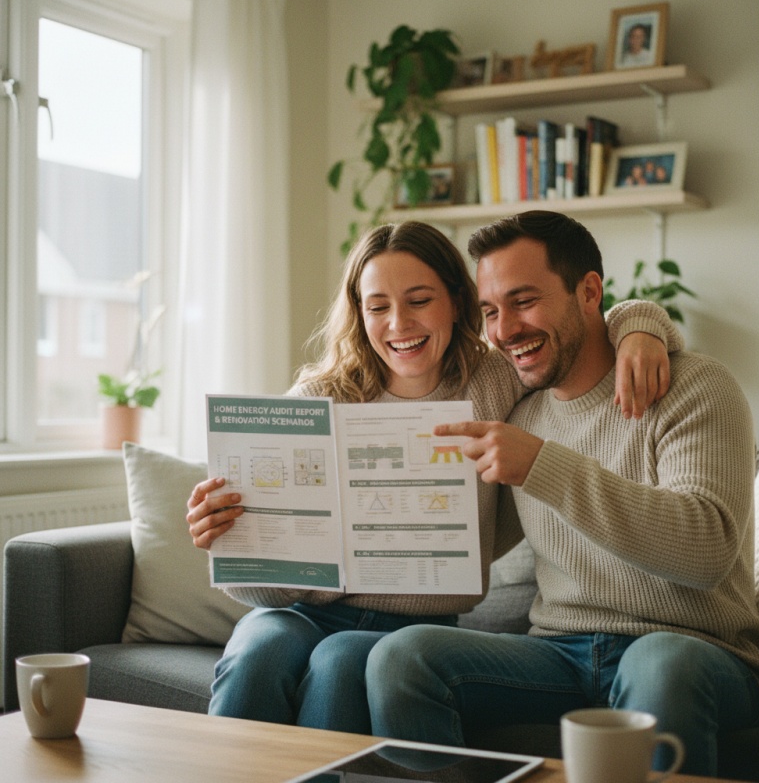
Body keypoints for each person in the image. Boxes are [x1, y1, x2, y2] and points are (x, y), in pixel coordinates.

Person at [185, 220, 681, 735]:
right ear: (359, 313)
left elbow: (572, 335)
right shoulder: (318, 401)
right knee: (256, 654)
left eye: (419, 300)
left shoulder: (490, 380)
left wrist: (640, 326)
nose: (399, 323)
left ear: (457, 302)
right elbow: (255, 588)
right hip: (300, 611)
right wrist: (228, 540)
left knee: (337, 663)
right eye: (377, 306)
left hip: (418, 624)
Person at [365, 211, 759, 778]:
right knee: (401, 658)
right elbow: (465, 534)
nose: (504, 329)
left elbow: (703, 552)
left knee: (660, 664)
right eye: (489, 310)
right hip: (559, 654)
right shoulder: (521, 410)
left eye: (523, 300)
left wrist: (544, 464)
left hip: (692, 649)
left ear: (589, 292)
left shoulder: (695, 386)